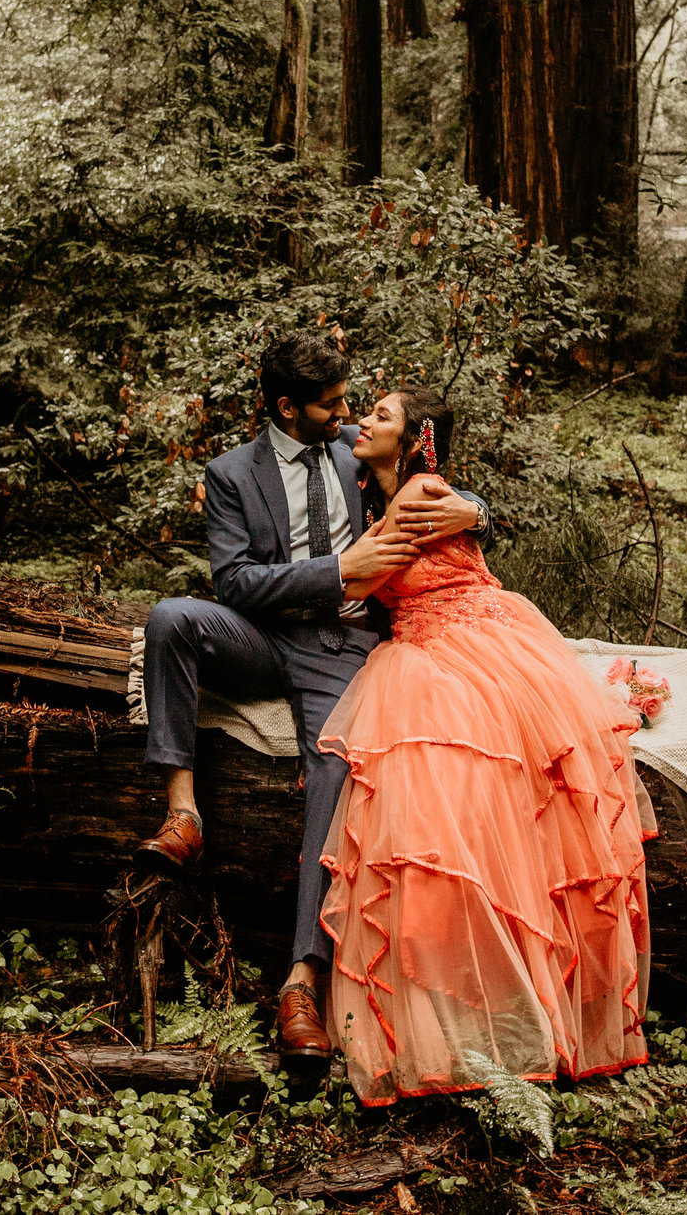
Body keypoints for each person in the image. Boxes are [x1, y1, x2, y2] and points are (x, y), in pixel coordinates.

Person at [136, 333, 491, 1061]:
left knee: (334, 767)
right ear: (285, 407)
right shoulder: (232, 473)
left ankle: (303, 980)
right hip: (265, 638)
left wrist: (473, 511)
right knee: (170, 618)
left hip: (346, 648)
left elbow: (430, 472)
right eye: (330, 405)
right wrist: (339, 568)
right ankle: (183, 810)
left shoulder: (352, 449)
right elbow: (233, 582)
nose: (348, 414)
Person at [314, 385, 653, 1106]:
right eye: (363, 410)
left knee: (449, 781)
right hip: (458, 630)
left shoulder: (420, 495)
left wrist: (462, 512)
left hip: (462, 637)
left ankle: (470, 1011)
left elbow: (355, 580)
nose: (361, 422)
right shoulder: (380, 481)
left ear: (413, 440)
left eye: (380, 416)